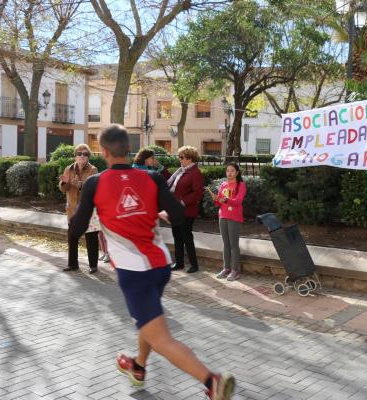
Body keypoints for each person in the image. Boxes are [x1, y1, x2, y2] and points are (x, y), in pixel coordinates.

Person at [68, 124, 236, 400]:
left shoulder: (94, 184)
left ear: (104, 151)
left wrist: (96, 213)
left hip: (135, 273)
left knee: (161, 338)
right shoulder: (153, 179)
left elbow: (76, 230)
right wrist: (152, 211)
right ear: (128, 149)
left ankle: (211, 382)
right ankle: (139, 367)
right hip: (160, 265)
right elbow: (179, 216)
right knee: (150, 321)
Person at [59, 143, 100, 274]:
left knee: (91, 238)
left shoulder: (93, 170)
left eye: (85, 154)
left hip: (88, 210)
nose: (82, 156)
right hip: (72, 208)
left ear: (88, 157)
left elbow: (94, 189)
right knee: (72, 237)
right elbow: (63, 189)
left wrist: (81, 184)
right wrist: (64, 183)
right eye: (80, 154)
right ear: (75, 156)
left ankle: (93, 265)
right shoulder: (68, 169)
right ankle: (73, 264)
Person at [167, 146, 204, 273]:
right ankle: (179, 263)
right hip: (176, 210)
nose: (180, 160)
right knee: (177, 237)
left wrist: (182, 201)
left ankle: (194, 265)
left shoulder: (195, 173)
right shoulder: (180, 171)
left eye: (182, 157)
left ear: (189, 159)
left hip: (186, 211)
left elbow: (198, 193)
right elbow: (172, 186)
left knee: (186, 238)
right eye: (179, 157)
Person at [209, 163, 246, 281]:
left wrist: (225, 199)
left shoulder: (241, 185)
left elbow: (237, 201)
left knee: (234, 244)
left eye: (232, 171)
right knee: (226, 243)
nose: (229, 173)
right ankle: (226, 268)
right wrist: (216, 200)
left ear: (237, 173)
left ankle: (235, 270)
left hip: (234, 217)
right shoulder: (223, 185)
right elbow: (219, 203)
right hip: (223, 216)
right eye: (227, 171)